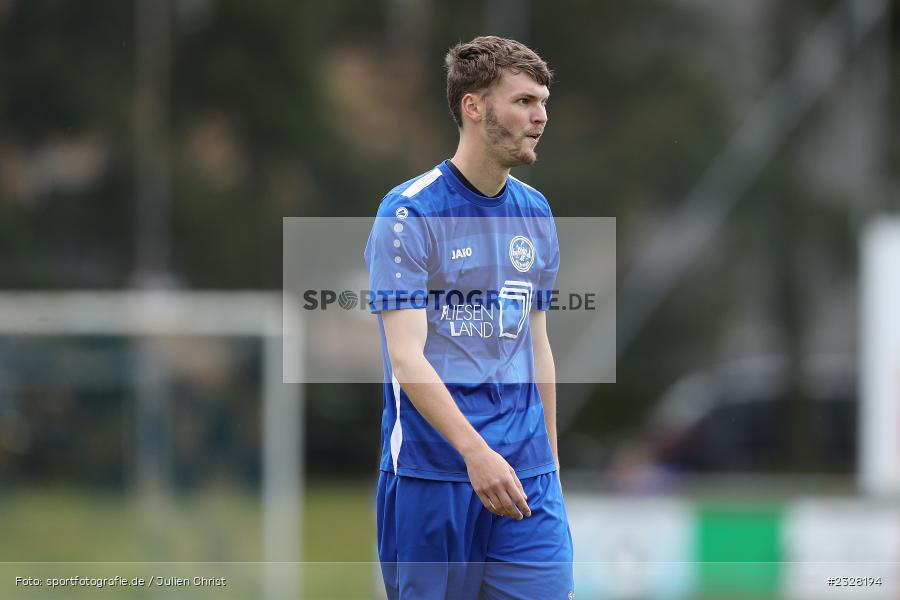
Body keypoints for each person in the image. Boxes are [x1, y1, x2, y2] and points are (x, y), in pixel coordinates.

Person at [364, 35, 573, 599]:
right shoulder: (410, 212)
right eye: (525, 101)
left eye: (544, 102)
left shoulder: (536, 211)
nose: (541, 117)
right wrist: (475, 454)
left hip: (526, 481)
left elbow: (538, 346)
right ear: (474, 106)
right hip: (434, 479)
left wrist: (548, 467)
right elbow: (406, 357)